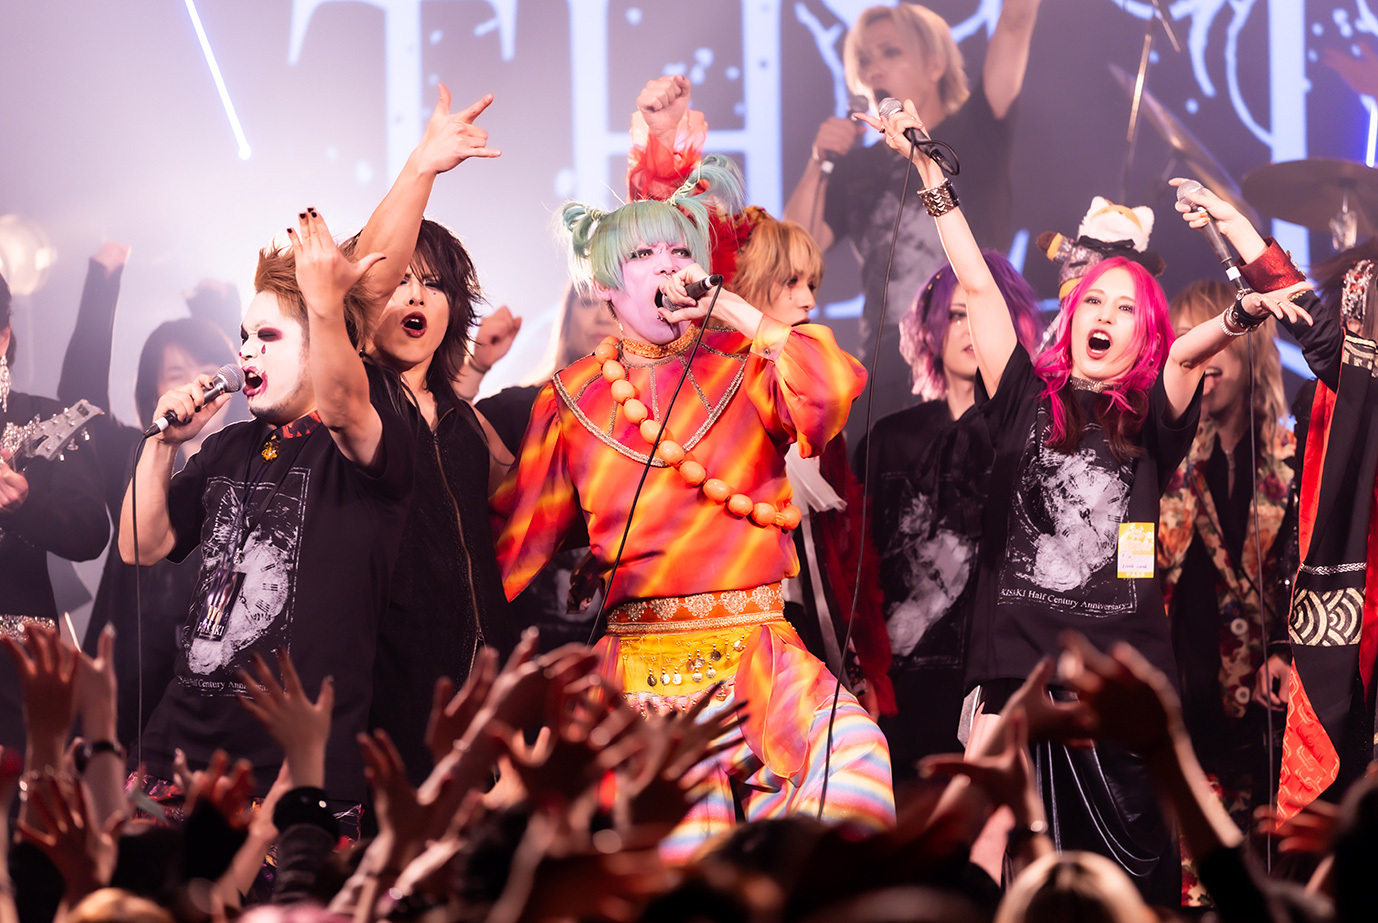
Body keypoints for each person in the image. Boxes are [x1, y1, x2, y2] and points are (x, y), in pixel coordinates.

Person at [859, 101, 1308, 902]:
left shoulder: (1154, 414)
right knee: (997, 862)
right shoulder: (1022, 396)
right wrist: (930, 175)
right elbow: (976, 283)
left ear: (1145, 335)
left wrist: (1239, 312)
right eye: (1095, 301)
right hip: (1015, 676)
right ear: (1071, 316)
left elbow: (1191, 354)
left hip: (1118, 688)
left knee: (1131, 886)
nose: (1105, 315)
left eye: (1126, 308)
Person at [492, 155, 893, 861]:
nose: (667, 265)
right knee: (682, 855)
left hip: (760, 657)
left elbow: (832, 388)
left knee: (856, 767)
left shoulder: (746, 366)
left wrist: (731, 308)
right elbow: (512, 541)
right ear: (607, 286)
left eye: (680, 251)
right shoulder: (572, 399)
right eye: (642, 254)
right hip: (641, 677)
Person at [119, 209, 414, 820]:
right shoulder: (227, 447)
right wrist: (163, 445)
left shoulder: (359, 437)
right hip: (179, 755)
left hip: (292, 777)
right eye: (244, 336)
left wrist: (326, 304)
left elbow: (341, 400)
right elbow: (140, 546)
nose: (245, 351)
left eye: (268, 337)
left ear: (320, 346)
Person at [1167, 187, 1378, 825]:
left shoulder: (1285, 449)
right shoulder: (1362, 390)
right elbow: (1315, 327)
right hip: (1213, 687)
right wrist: (1236, 224)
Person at [345, 86, 518, 783]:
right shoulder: (355, 399)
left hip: (483, 680)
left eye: (435, 284)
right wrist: (422, 166)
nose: (416, 295)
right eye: (400, 282)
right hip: (388, 689)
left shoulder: (465, 420)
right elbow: (358, 289)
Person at [784, 1, 1042, 440]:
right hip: (887, 369)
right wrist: (818, 161)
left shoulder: (979, 126)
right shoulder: (856, 169)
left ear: (935, 63)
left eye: (890, 52)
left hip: (977, 354)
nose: (873, 69)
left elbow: (1016, 22)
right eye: (863, 59)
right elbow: (795, 248)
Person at [855, 252, 1040, 774]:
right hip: (898, 689)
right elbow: (855, 568)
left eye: (981, 313)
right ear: (931, 327)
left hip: (993, 687)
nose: (969, 329)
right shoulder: (888, 440)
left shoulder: (1034, 439)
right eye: (956, 315)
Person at [56, 242, 242, 747]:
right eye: (177, 374)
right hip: (129, 676)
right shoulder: (133, 452)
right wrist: (102, 284)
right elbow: (80, 401)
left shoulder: (258, 461)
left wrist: (220, 309)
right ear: (151, 390)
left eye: (207, 371)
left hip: (217, 683)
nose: (198, 386)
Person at [1156, 279, 1295, 875]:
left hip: (1271, 721)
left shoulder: (1295, 457)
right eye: (1186, 336)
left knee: (1265, 887)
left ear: (1247, 343)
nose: (1200, 351)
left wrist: (1287, 650)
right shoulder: (1161, 453)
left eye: (1212, 334)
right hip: (1184, 712)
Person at [0, 272, 109, 750]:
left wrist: (25, 505)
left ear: (4, 336)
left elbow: (91, 531)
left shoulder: (45, 419)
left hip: (13, 664)